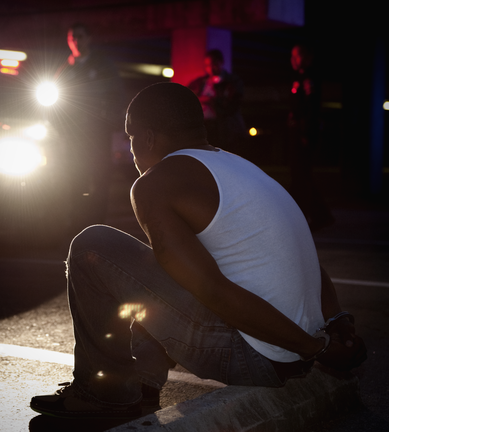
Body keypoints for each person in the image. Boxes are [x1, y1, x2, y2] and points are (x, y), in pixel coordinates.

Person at [30, 83, 366, 420]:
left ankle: (102, 392)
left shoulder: (155, 183)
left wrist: (315, 349)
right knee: (164, 263)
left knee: (92, 244)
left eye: (130, 137)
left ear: (147, 138)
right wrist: (335, 325)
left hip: (262, 356)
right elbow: (309, 262)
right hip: (294, 348)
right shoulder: (243, 169)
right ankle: (144, 382)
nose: (131, 150)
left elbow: (210, 289)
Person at [53, 22, 125, 224]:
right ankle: (77, 223)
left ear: (89, 39)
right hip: (73, 134)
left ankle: (97, 224)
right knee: (75, 177)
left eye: (80, 36)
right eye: (72, 37)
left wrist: (111, 123)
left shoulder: (102, 66)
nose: (75, 41)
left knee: (99, 178)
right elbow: (54, 103)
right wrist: (60, 128)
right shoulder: (65, 70)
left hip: (98, 132)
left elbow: (117, 95)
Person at [287, 44, 334, 231]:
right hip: (297, 131)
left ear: (306, 58)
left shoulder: (308, 78)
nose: (293, 60)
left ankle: (313, 215)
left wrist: (306, 133)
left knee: (302, 175)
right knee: (299, 175)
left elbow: (311, 108)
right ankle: (316, 214)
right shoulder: (298, 77)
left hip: (303, 133)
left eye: (297, 56)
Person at [187, 49, 247, 155]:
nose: (210, 68)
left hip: (225, 129)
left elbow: (232, 105)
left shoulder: (232, 81)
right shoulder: (201, 82)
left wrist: (213, 101)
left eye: (213, 64)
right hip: (206, 127)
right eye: (207, 65)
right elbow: (188, 95)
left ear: (221, 62)